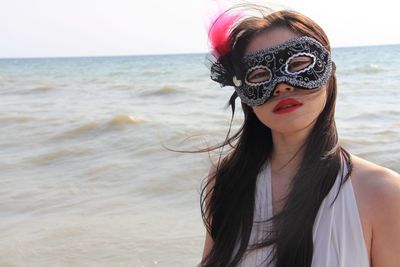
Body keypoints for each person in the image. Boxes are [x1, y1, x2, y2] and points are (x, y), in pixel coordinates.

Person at [199, 6, 400, 267]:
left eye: (298, 64)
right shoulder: (227, 180)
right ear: (244, 92)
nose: (282, 85)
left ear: (328, 74)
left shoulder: (383, 193)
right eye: (259, 74)